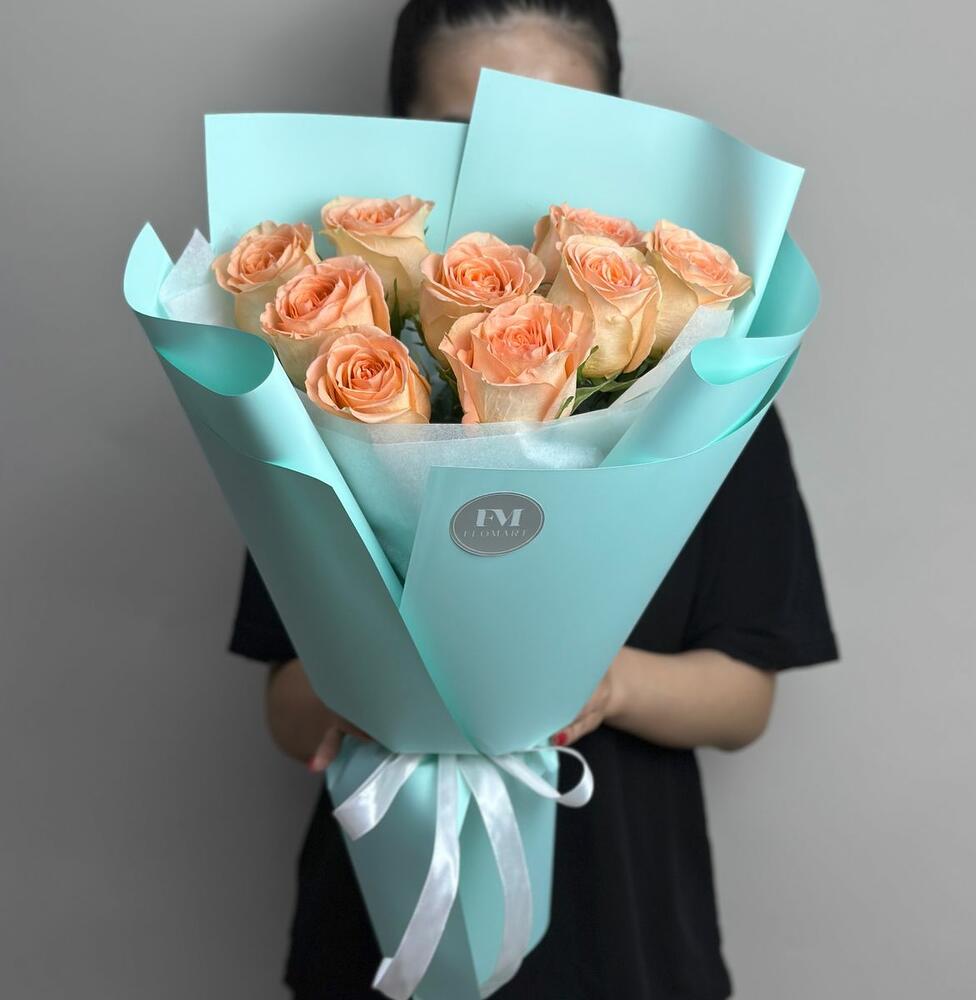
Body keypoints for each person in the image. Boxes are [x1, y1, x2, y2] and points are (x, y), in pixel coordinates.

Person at [229, 2, 838, 997]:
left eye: (561, 128)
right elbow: (287, 709)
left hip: (626, 937)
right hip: (380, 929)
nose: (506, 163)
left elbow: (745, 698)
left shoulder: (709, 398)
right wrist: (388, 679)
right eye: (460, 133)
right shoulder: (329, 388)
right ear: (398, 139)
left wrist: (603, 683)